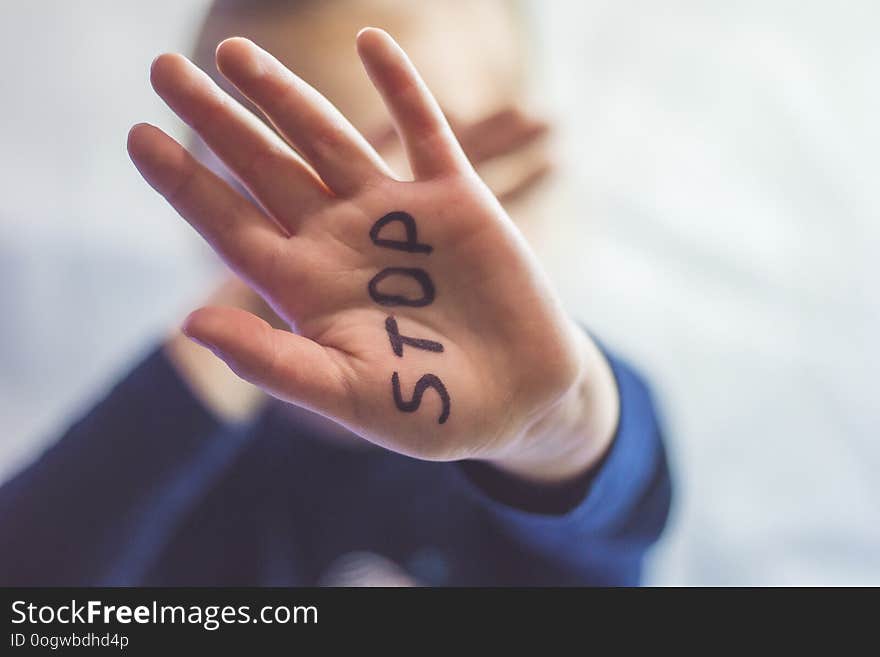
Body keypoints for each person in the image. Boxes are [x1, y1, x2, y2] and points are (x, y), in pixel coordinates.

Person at [0, 0, 671, 586]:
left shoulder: (546, 431)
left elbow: (606, 507)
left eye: (422, 171)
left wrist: (556, 422)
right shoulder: (174, 462)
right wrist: (252, 301)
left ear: (521, 182)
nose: (368, 242)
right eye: (270, 194)